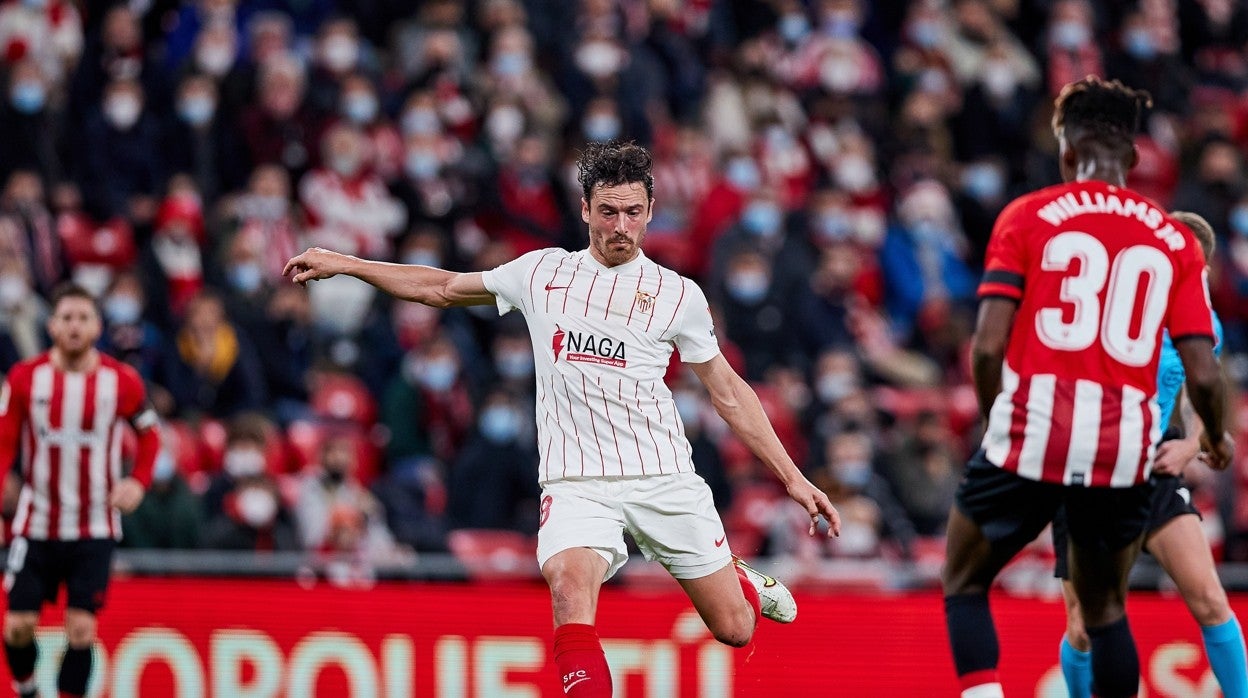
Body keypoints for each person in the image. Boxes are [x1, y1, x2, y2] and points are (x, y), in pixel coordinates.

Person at [286, 140, 841, 697]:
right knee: (569, 589)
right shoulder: (542, 273)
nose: (620, 226)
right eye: (607, 211)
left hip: (663, 474)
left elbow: (727, 391)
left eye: (632, 212)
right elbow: (442, 287)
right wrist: (348, 264)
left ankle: (737, 577)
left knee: (735, 628)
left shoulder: (678, 296)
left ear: (649, 212)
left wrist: (793, 477)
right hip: (575, 481)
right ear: (584, 210)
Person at [942, 76, 1231, 698]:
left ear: (1067, 154)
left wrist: (998, 419)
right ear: (1133, 159)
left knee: (966, 583)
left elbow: (988, 344)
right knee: (1105, 615)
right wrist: (1219, 443)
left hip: (1035, 430)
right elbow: (1205, 371)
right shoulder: (1175, 239)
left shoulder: (1028, 215)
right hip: (1126, 447)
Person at [1055, 211, 1247, 698]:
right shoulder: (1103, 309)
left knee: (1209, 598)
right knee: (1083, 621)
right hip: (1089, 469)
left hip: (1155, 469)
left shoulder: (1205, 323)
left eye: (1200, 272)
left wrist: (1190, 445)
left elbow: (1206, 394)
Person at [0, 283, 158, 698]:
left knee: (82, 628)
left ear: (97, 326)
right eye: (66, 317)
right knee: (16, 627)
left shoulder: (121, 382)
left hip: (94, 525)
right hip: (36, 522)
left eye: (83, 318)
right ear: (51, 325)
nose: (74, 326)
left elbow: (150, 434)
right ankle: (27, 687)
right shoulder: (24, 379)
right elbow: (4, 444)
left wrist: (138, 481)